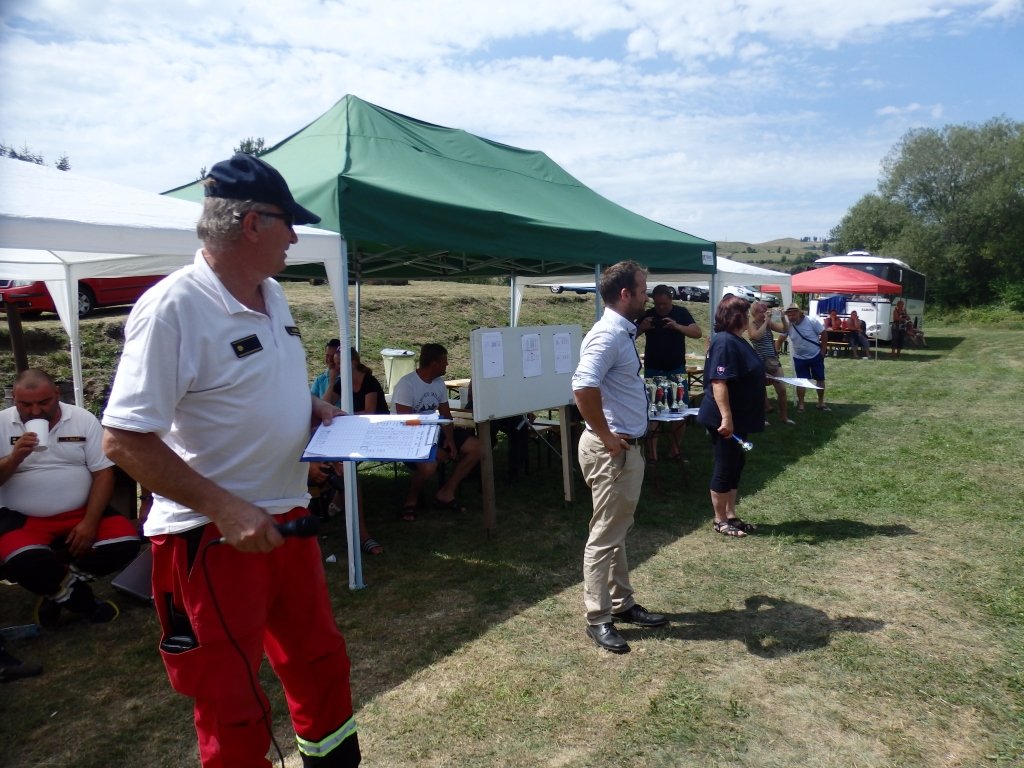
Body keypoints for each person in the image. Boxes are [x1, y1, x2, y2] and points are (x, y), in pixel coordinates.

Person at [101, 153, 361, 767]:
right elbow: (124, 439)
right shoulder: (173, 307)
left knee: (320, 663)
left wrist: (308, 407)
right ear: (251, 224)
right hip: (212, 537)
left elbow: (251, 382)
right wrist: (225, 508)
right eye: (288, 223)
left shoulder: (273, 294)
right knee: (231, 697)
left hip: (285, 517)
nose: (295, 237)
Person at [572, 261, 668, 654]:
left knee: (616, 530)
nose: (648, 296)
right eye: (643, 290)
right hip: (613, 451)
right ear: (625, 294)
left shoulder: (620, 331)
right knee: (604, 536)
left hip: (620, 449)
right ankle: (598, 617)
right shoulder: (608, 335)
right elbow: (583, 386)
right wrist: (608, 436)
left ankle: (622, 603)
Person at [0, 369, 140, 628]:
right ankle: (84, 602)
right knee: (22, 563)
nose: (35, 411)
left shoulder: (81, 419)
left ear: (57, 394)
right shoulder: (2, 423)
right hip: (23, 518)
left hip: (80, 511)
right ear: (13, 400)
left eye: (44, 402)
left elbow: (103, 474)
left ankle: (55, 588)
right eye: (25, 404)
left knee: (125, 544)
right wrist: (15, 457)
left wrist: (90, 522)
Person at [698, 295, 766, 537]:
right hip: (725, 419)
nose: (748, 318)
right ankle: (720, 520)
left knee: (737, 463)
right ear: (737, 317)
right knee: (725, 464)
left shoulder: (737, 340)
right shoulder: (725, 342)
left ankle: (730, 514)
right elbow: (719, 382)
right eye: (746, 314)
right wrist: (726, 418)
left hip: (741, 416)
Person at [391, 343, 482, 520]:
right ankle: (411, 501)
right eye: (444, 361)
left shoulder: (439, 383)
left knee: (478, 447)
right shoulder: (406, 384)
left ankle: (446, 492)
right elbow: (406, 422)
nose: (447, 365)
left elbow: (445, 415)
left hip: (433, 431)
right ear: (434, 363)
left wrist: (450, 440)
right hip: (408, 436)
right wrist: (433, 449)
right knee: (429, 465)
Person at [637, 284, 702, 463]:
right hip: (654, 370)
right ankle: (653, 455)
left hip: (675, 370)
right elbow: (628, 337)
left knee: (679, 411)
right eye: (658, 304)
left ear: (671, 299)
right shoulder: (648, 315)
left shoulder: (681, 313)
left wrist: (677, 326)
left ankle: (674, 450)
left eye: (664, 304)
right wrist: (642, 328)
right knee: (655, 411)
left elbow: (697, 333)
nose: (661, 308)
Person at [747, 302, 794, 425]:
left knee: (782, 390)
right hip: (759, 362)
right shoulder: (751, 323)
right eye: (761, 312)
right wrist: (767, 321)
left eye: (765, 311)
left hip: (772, 360)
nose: (764, 314)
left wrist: (783, 318)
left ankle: (783, 417)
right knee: (760, 391)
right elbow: (756, 336)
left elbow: (785, 330)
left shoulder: (767, 323)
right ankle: (761, 418)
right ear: (754, 313)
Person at [779, 303, 829, 412]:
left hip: (815, 356)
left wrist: (823, 351)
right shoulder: (788, 325)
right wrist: (776, 351)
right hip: (799, 358)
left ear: (799, 313)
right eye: (789, 315)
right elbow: (780, 339)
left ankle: (821, 402)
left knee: (820, 379)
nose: (791, 317)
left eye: (793, 314)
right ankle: (801, 404)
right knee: (801, 381)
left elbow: (824, 334)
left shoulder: (811, 321)